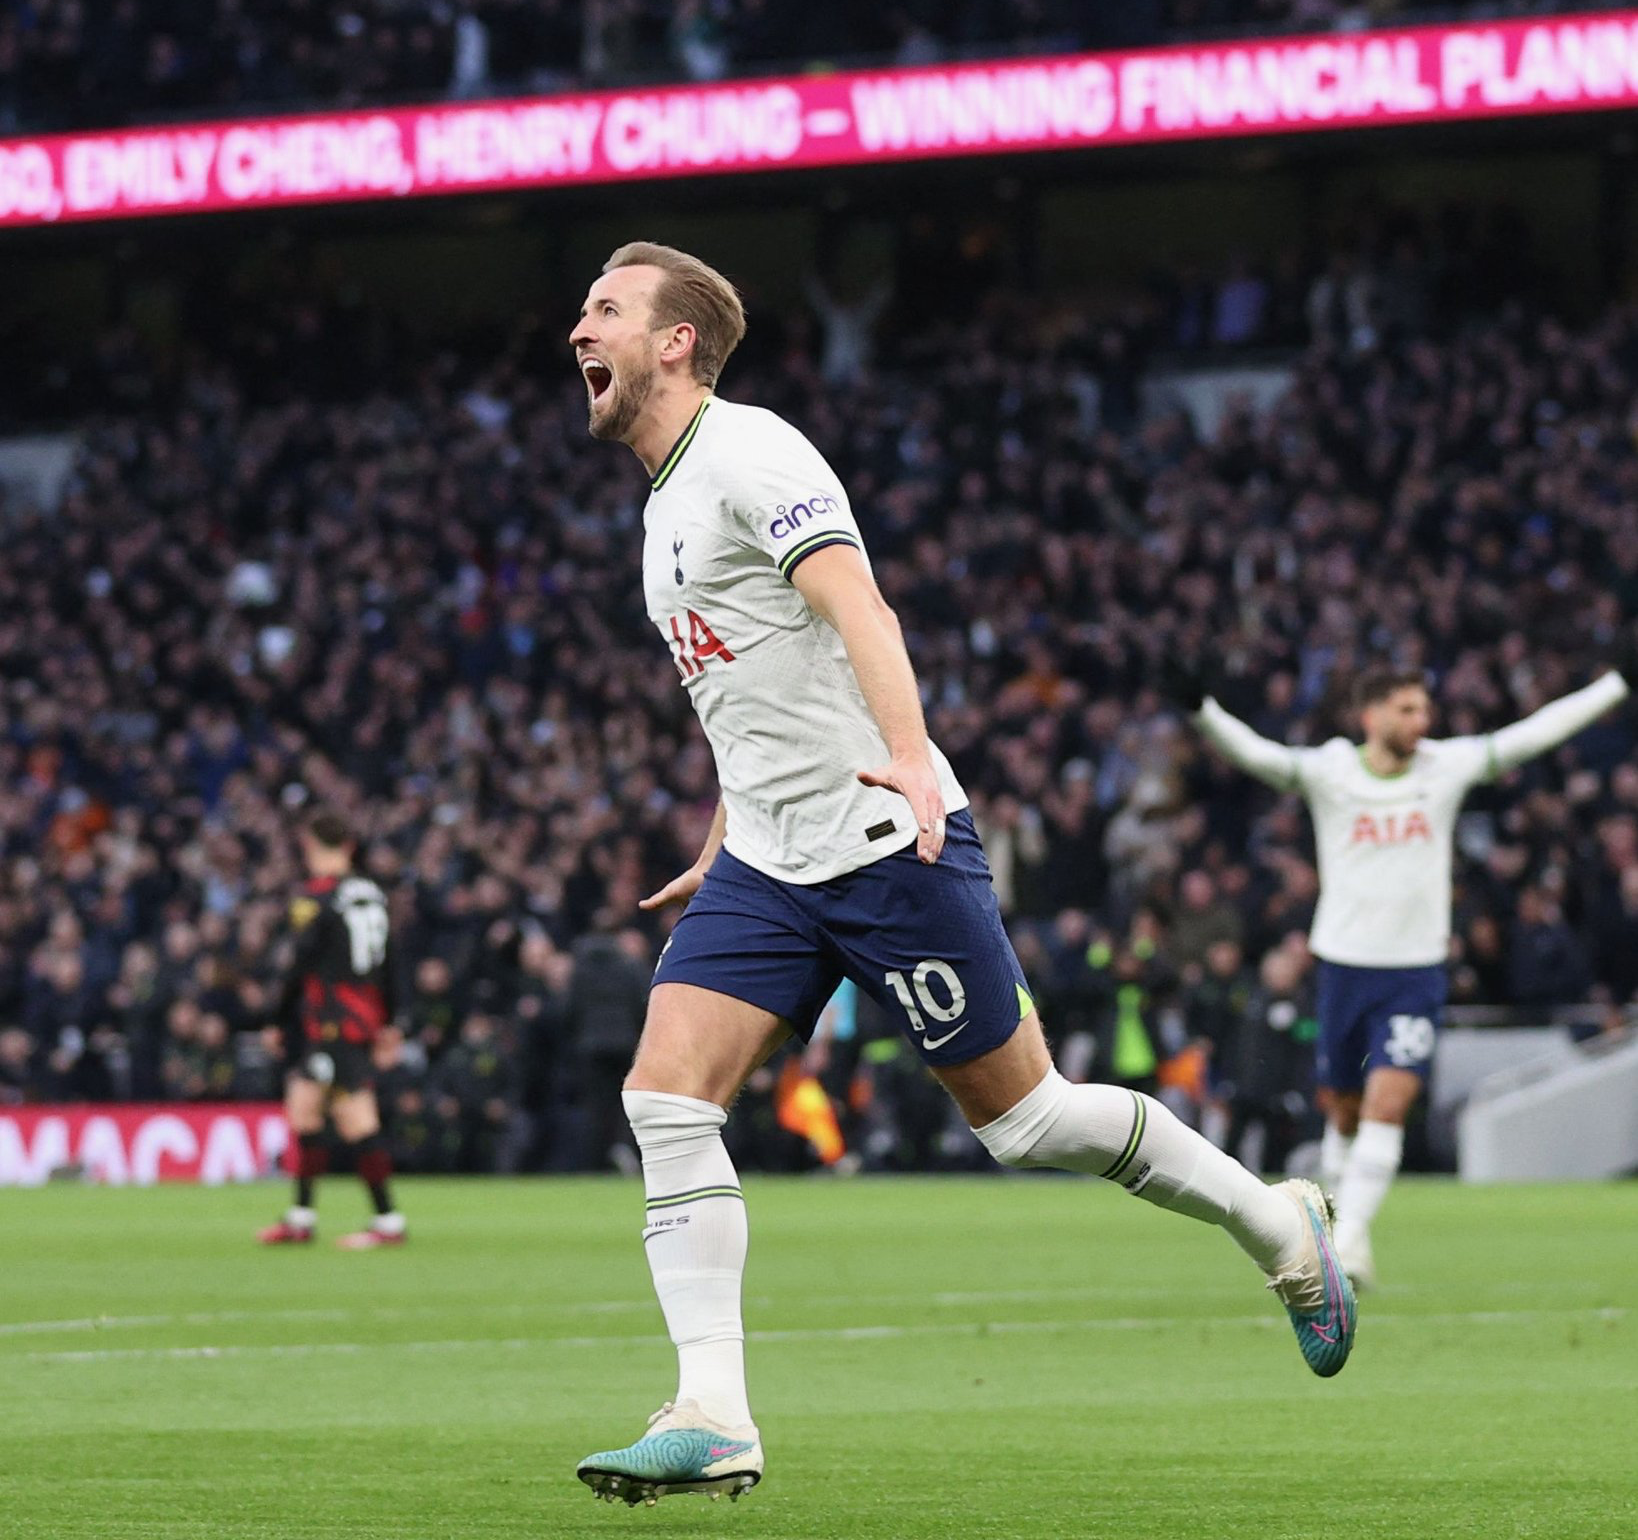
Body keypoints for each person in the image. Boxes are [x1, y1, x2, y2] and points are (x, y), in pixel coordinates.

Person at [568, 242, 1357, 1508]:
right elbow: (757, 687)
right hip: (768, 863)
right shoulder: (662, 502)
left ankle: (1277, 1225)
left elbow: (860, 612)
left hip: (889, 842)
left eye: (606, 309)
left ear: (676, 342)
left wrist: (910, 759)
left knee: (1027, 1122)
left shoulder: (753, 454)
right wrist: (724, 832)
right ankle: (711, 1410)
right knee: (664, 1095)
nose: (579, 330)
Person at [1169, 659, 1630, 1289]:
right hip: (1343, 967)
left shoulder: (1446, 766)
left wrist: (1615, 684)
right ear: (1372, 715)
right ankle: (1332, 1225)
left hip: (1414, 972)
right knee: (1344, 1111)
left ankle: (1352, 1240)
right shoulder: (1331, 771)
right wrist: (1202, 710)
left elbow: (1533, 733)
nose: (1422, 721)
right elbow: (1258, 755)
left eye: (1424, 709)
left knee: (1388, 1104)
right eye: (1408, 709)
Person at [258, 812, 406, 1250]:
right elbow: (390, 962)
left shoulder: (316, 898)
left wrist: (277, 1019)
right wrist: (391, 1022)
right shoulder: (372, 894)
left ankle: (388, 1222)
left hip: (333, 1021)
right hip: (362, 1016)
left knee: (355, 1116)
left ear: (309, 844)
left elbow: (299, 965)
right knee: (303, 1108)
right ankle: (301, 1217)